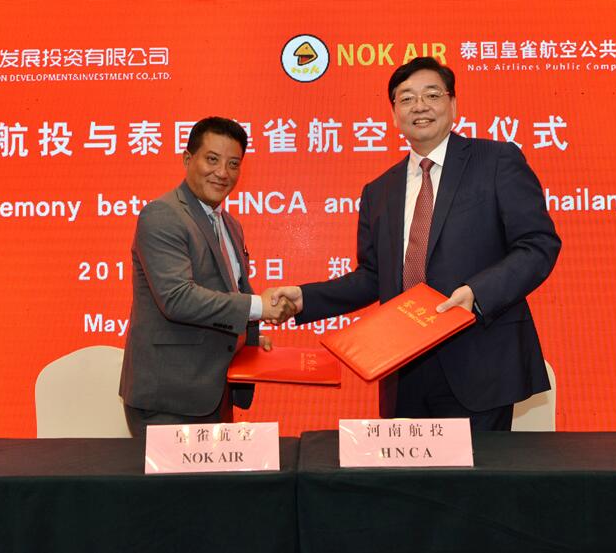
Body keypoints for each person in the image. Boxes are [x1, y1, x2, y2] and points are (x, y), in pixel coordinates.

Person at [271, 57, 561, 430]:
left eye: (432, 95)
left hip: (479, 359)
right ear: (394, 114)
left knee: (476, 470)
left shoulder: (496, 160)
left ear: (453, 104)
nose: (419, 106)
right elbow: (373, 277)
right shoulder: (379, 190)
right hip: (404, 369)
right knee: (410, 468)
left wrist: (477, 293)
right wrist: (305, 299)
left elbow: (537, 244)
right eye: (406, 99)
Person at [119, 116, 295, 437]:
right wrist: (259, 307)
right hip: (169, 399)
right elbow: (177, 299)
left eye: (233, 164)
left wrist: (245, 340)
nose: (223, 173)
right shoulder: (163, 215)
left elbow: (228, 292)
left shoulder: (229, 224)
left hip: (213, 389)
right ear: (188, 159)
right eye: (212, 159)